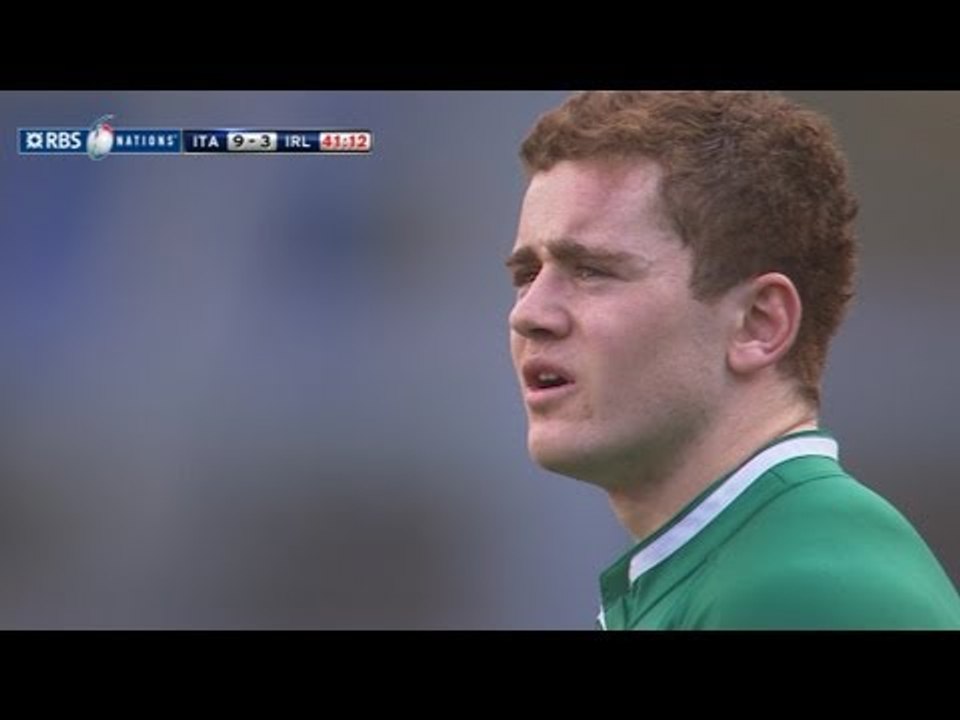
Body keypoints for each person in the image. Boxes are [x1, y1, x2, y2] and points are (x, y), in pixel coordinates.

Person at [505, 91, 960, 630]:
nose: (528, 314)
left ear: (758, 323)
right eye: (527, 274)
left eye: (591, 271)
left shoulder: (805, 591)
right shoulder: (734, 568)